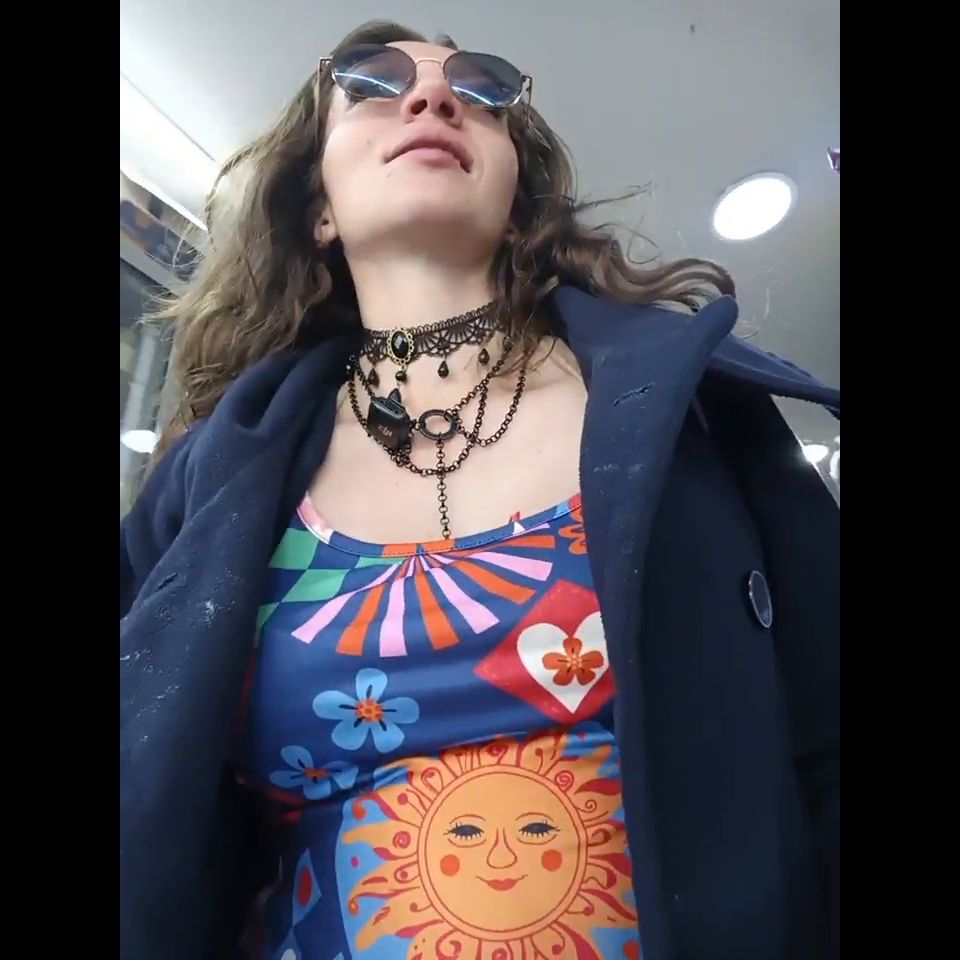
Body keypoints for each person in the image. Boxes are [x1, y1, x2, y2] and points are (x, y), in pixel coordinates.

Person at [120, 19, 839, 960]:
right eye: (372, 85)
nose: (433, 97)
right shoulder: (218, 478)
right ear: (319, 210)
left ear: (515, 195)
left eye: (481, 88)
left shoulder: (690, 411)